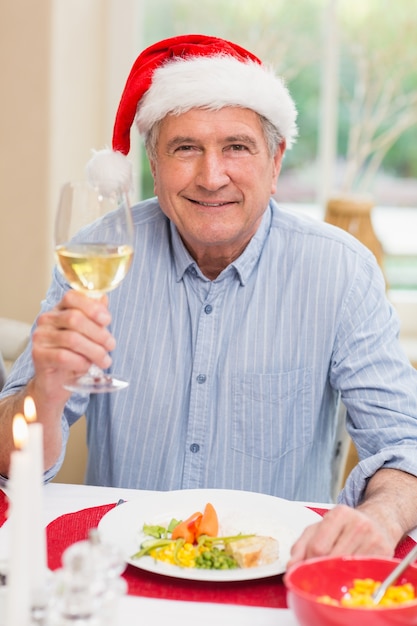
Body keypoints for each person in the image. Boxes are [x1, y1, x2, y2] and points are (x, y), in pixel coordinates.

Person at [1, 34, 417, 567]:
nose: (211, 176)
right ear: (153, 160)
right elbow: (11, 459)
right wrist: (46, 391)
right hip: (126, 568)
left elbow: (403, 449)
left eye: (236, 147)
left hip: (276, 572)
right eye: (185, 148)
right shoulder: (100, 253)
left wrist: (378, 518)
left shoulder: (342, 271)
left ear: (275, 160)